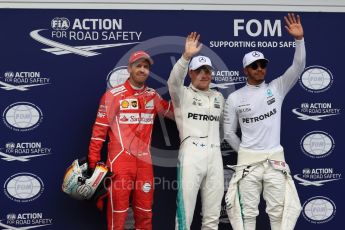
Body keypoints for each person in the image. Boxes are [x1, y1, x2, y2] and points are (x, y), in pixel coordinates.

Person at [224, 13, 306, 230]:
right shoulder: (235, 97)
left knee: (279, 213)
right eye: (254, 65)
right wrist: (245, 151)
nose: (260, 68)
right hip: (248, 164)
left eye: (262, 64)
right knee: (247, 215)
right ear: (246, 70)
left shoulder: (276, 88)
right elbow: (229, 133)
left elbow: (297, 68)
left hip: (275, 161)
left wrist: (299, 40)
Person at [88, 50, 173, 230]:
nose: (142, 70)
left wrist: (192, 100)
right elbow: (98, 133)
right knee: (118, 215)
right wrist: (93, 164)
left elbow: (174, 113)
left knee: (145, 213)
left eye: (146, 67)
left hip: (144, 163)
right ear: (129, 69)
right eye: (138, 66)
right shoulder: (112, 96)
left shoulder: (153, 96)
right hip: (120, 162)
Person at [168, 32, 224, 230]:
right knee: (185, 215)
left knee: (212, 217)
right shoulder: (182, 94)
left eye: (207, 70)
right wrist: (185, 57)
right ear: (191, 73)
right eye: (199, 70)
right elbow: (173, 82)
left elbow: (225, 128)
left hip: (215, 156)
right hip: (191, 155)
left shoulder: (219, 97)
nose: (204, 74)